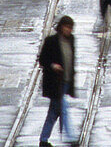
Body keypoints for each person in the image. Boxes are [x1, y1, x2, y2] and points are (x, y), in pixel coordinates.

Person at [39, 15, 77, 147]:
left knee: (54, 112)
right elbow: (42, 59)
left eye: (70, 28)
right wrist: (53, 65)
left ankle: (43, 140)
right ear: (61, 27)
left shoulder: (71, 40)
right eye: (66, 27)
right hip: (54, 82)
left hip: (66, 81)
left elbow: (72, 61)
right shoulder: (51, 41)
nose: (68, 30)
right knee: (64, 108)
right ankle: (71, 137)